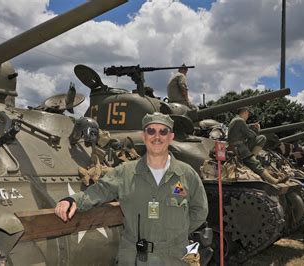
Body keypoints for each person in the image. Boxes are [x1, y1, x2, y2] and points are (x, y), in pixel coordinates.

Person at [55, 112, 208, 265]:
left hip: (174, 258)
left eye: (163, 131)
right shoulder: (125, 172)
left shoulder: (186, 175)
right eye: (151, 131)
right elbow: (100, 191)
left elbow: (200, 211)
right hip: (136, 258)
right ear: (144, 136)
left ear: (171, 137)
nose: (157, 136)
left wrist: (176, 234)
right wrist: (72, 200)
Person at [227, 107, 287, 184]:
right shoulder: (239, 121)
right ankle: (273, 181)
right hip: (239, 148)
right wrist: (257, 130)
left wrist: (252, 126)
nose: (248, 116)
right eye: (248, 114)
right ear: (245, 112)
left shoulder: (235, 120)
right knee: (256, 163)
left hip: (240, 145)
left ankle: (253, 157)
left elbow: (245, 129)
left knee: (261, 138)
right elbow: (250, 135)